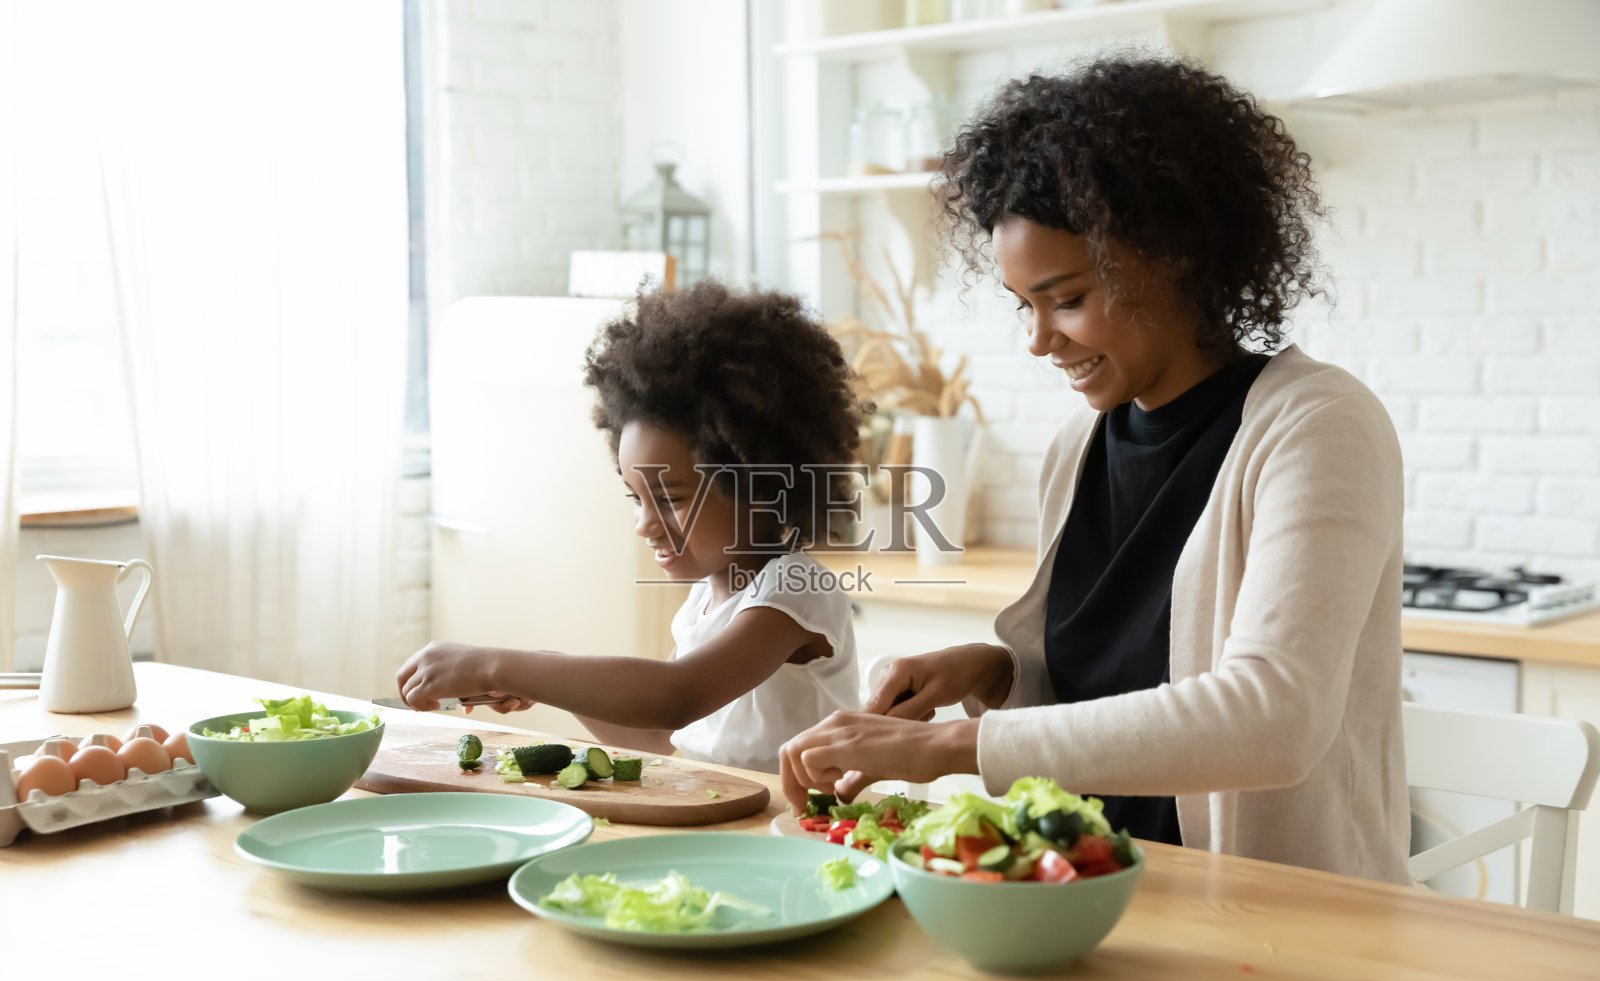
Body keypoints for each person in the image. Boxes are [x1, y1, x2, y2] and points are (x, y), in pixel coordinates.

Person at [779, 55, 1412, 883]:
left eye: (1067, 298)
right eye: (1025, 306)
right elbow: (1097, 697)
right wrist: (994, 673)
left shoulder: (1318, 425)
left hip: (1276, 919)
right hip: (1088, 894)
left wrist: (947, 744)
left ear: (1176, 254)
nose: (1041, 340)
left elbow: (1273, 716)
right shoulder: (1077, 448)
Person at [399, 281, 866, 774]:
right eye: (636, 497)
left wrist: (498, 664)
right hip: (736, 820)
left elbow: (676, 696)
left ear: (759, 487)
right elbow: (663, 734)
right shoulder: (708, 598)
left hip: (799, 831)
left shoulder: (795, 594)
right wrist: (543, 675)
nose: (645, 525)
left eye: (670, 499)